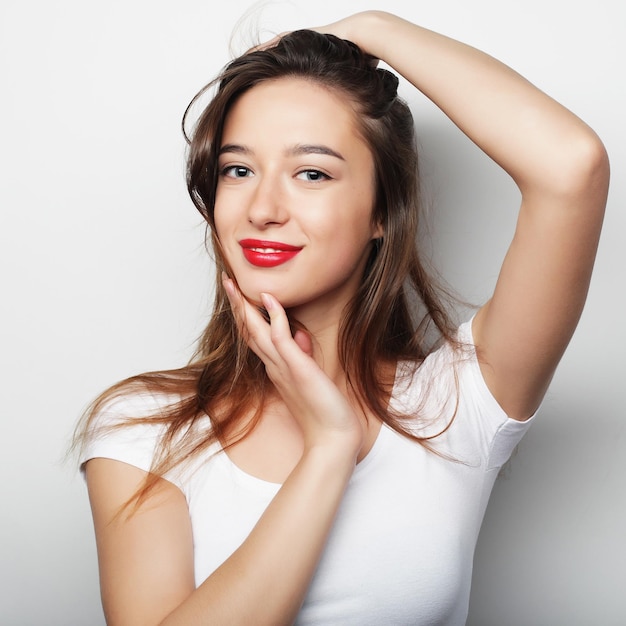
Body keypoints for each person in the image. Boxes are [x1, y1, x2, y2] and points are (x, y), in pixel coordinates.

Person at [75, 10, 609, 625]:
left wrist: (374, 29)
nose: (263, 208)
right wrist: (328, 449)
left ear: (381, 212)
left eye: (312, 173)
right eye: (238, 169)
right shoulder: (145, 427)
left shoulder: (456, 404)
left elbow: (573, 167)